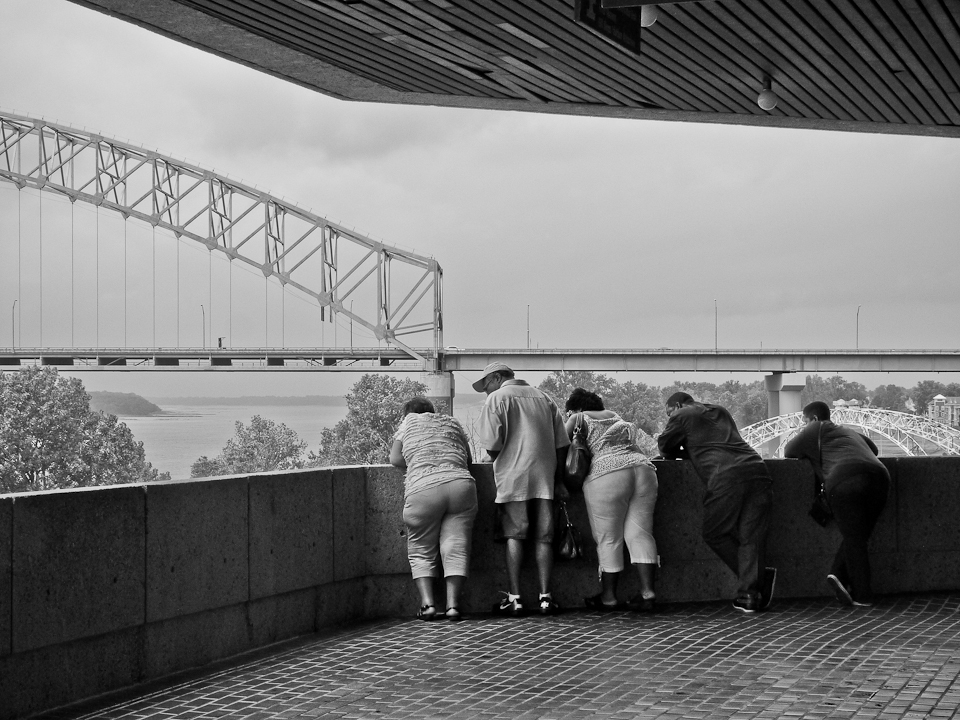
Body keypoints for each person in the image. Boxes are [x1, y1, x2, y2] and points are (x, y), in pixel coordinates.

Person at [657, 391, 776, 614]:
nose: (669, 418)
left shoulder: (681, 414)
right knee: (752, 538)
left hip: (726, 478)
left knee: (715, 532)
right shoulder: (720, 410)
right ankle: (750, 592)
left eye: (668, 413)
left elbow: (665, 447)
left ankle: (755, 581)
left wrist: (685, 448)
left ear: (678, 404)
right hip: (758, 471)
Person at [474, 362, 570, 616]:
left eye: (486, 386)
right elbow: (562, 444)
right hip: (545, 479)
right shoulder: (545, 398)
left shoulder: (497, 399)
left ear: (496, 378)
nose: (486, 392)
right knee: (544, 538)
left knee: (514, 536)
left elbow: (493, 446)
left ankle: (515, 599)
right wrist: (558, 480)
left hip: (513, 479)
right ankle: (546, 599)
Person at [784, 400, 889, 607]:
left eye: (804, 422)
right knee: (858, 534)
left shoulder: (815, 428)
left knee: (854, 538)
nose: (804, 427)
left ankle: (862, 594)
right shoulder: (848, 431)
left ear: (813, 419)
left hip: (844, 480)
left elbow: (789, 451)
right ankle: (838, 573)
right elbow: (874, 449)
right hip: (880, 478)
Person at [564, 388, 659, 611]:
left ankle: (609, 596)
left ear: (576, 408)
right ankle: (648, 593)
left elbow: (560, 445)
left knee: (608, 538)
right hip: (644, 471)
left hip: (607, 475)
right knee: (641, 534)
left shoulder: (578, 418)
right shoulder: (617, 417)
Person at [389, 396, 478, 621]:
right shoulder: (451, 422)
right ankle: (453, 606)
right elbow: (467, 457)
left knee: (420, 548)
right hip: (461, 485)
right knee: (456, 546)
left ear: (408, 412)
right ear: (432, 411)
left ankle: (428, 605)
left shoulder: (408, 423)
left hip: (423, 489)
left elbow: (395, 459)